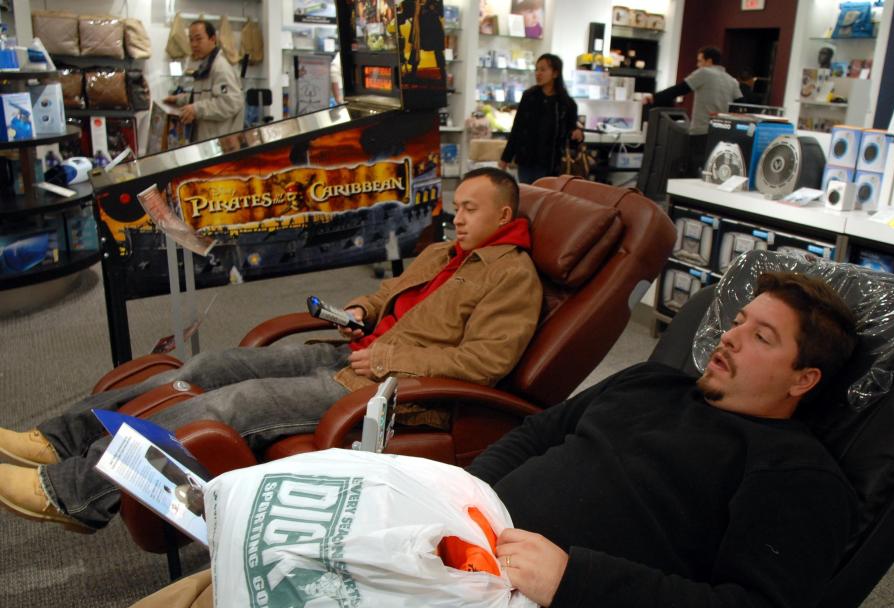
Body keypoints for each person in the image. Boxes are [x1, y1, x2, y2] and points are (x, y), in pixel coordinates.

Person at [0, 271, 861, 608]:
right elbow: (539, 431)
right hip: (453, 538)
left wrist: (571, 577)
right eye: (738, 321)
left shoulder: (795, 472)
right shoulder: (654, 382)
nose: (728, 336)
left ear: (804, 379)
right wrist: (457, 497)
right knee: (224, 590)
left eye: (761, 337)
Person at [0, 167, 542, 535]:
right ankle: (57, 441)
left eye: (471, 210)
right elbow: (388, 295)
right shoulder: (445, 252)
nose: (457, 217)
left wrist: (386, 361)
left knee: (232, 404)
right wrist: (361, 309)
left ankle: (71, 493)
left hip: (387, 388)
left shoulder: (513, 277)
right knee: (211, 365)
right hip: (351, 353)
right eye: (457, 206)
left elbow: (485, 364)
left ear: (503, 216)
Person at [653, 46, 742, 174]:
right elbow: (740, 105)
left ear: (709, 61)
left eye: (700, 61)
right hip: (721, 133)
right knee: (712, 170)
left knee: (694, 170)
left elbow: (680, 89)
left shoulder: (704, 73)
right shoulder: (732, 80)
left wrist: (654, 97)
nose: (697, 65)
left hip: (701, 131)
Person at [498, 53, 584, 184]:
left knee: (545, 194)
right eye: (536, 70)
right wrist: (506, 158)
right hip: (526, 159)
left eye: (543, 70)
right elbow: (517, 128)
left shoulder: (566, 103)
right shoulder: (529, 96)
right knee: (527, 192)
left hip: (552, 162)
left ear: (555, 73)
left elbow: (571, 136)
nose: (538, 74)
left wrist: (577, 134)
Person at [164, 20, 244, 142]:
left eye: (198, 39)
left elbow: (230, 103)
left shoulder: (220, 67)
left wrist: (196, 109)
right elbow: (204, 95)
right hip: (205, 139)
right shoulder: (206, 66)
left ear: (212, 39)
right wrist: (180, 99)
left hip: (218, 143)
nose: (194, 44)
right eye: (191, 40)